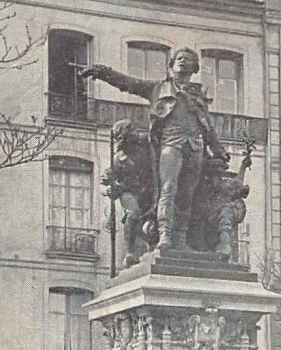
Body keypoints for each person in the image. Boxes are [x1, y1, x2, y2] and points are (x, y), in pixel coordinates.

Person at [82, 48, 230, 251]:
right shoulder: (158, 88)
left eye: (188, 60)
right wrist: (102, 71)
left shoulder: (197, 96)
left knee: (187, 194)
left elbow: (208, 125)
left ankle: (179, 238)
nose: (183, 62)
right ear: (171, 64)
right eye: (179, 59)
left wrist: (218, 148)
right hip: (171, 142)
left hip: (195, 145)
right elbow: (128, 83)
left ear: (195, 67)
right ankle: (165, 234)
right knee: (168, 188)